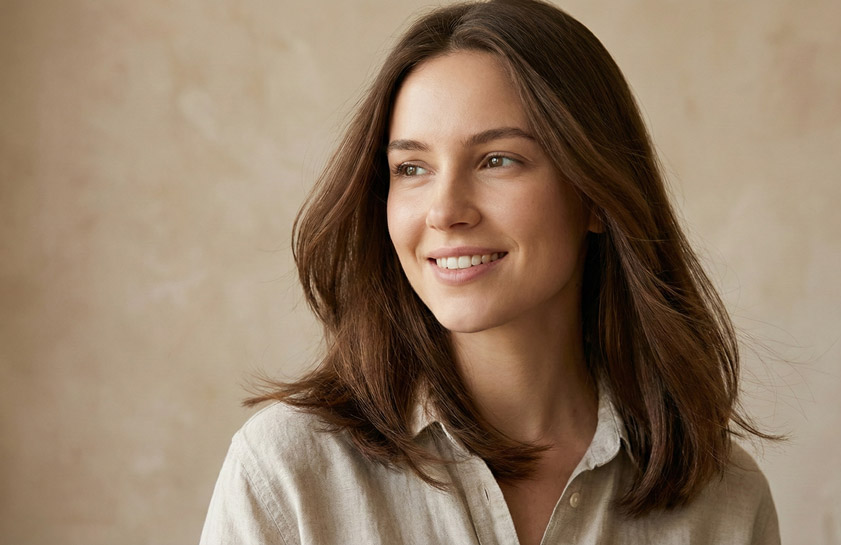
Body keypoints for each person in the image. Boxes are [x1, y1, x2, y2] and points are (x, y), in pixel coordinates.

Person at [200, 0, 779, 543]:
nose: (446, 211)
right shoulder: (287, 472)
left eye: (497, 160)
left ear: (596, 194)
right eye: (411, 167)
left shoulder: (725, 499)